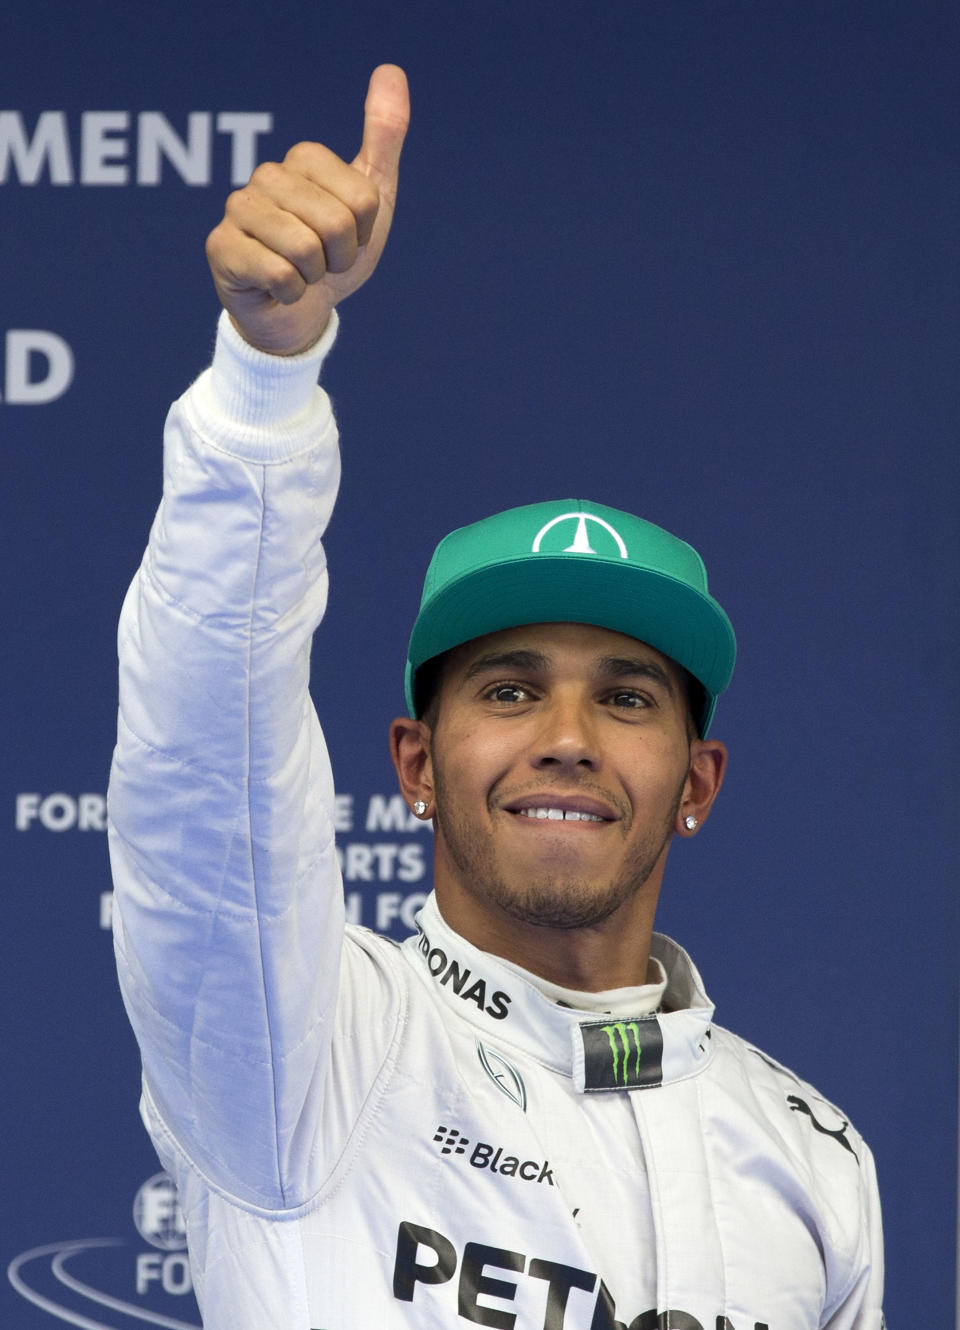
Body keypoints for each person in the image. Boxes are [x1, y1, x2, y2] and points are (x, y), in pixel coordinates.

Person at [108, 65, 885, 1330]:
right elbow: (206, 759)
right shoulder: (307, 1052)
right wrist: (263, 380)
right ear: (416, 764)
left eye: (628, 698)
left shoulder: (815, 1161)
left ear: (698, 782)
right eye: (512, 689)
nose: (567, 740)